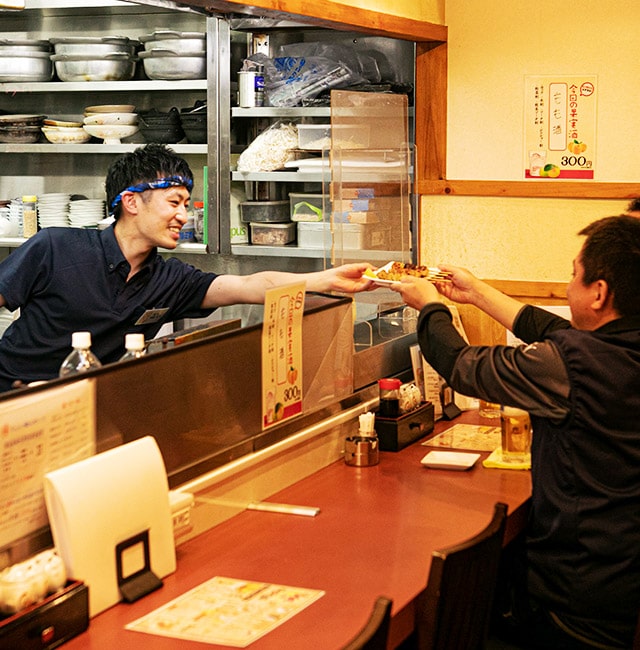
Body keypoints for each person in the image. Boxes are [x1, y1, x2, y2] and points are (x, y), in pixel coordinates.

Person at [389, 215, 640, 649]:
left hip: (575, 608)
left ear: (598, 293)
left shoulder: (574, 364)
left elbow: (460, 366)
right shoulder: (617, 346)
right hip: (622, 590)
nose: (567, 287)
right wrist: (476, 293)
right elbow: (555, 330)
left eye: (573, 275)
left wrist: (430, 306)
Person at [0, 144, 373, 392]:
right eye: (174, 202)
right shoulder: (56, 247)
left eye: (186, 203)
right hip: (12, 394)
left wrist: (325, 279)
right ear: (131, 202)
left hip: (90, 404)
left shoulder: (169, 279)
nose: (183, 215)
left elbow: (249, 286)